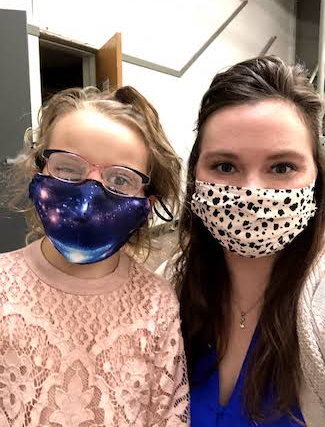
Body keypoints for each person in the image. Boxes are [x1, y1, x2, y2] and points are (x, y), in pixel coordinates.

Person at [0, 86, 189, 426]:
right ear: (37, 172)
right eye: (69, 169)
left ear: (146, 204)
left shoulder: (156, 304)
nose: (87, 199)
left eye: (120, 179)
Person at [169, 56, 325, 426]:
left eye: (282, 167)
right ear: (195, 177)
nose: (251, 191)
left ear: (318, 176)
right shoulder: (169, 287)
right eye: (225, 166)